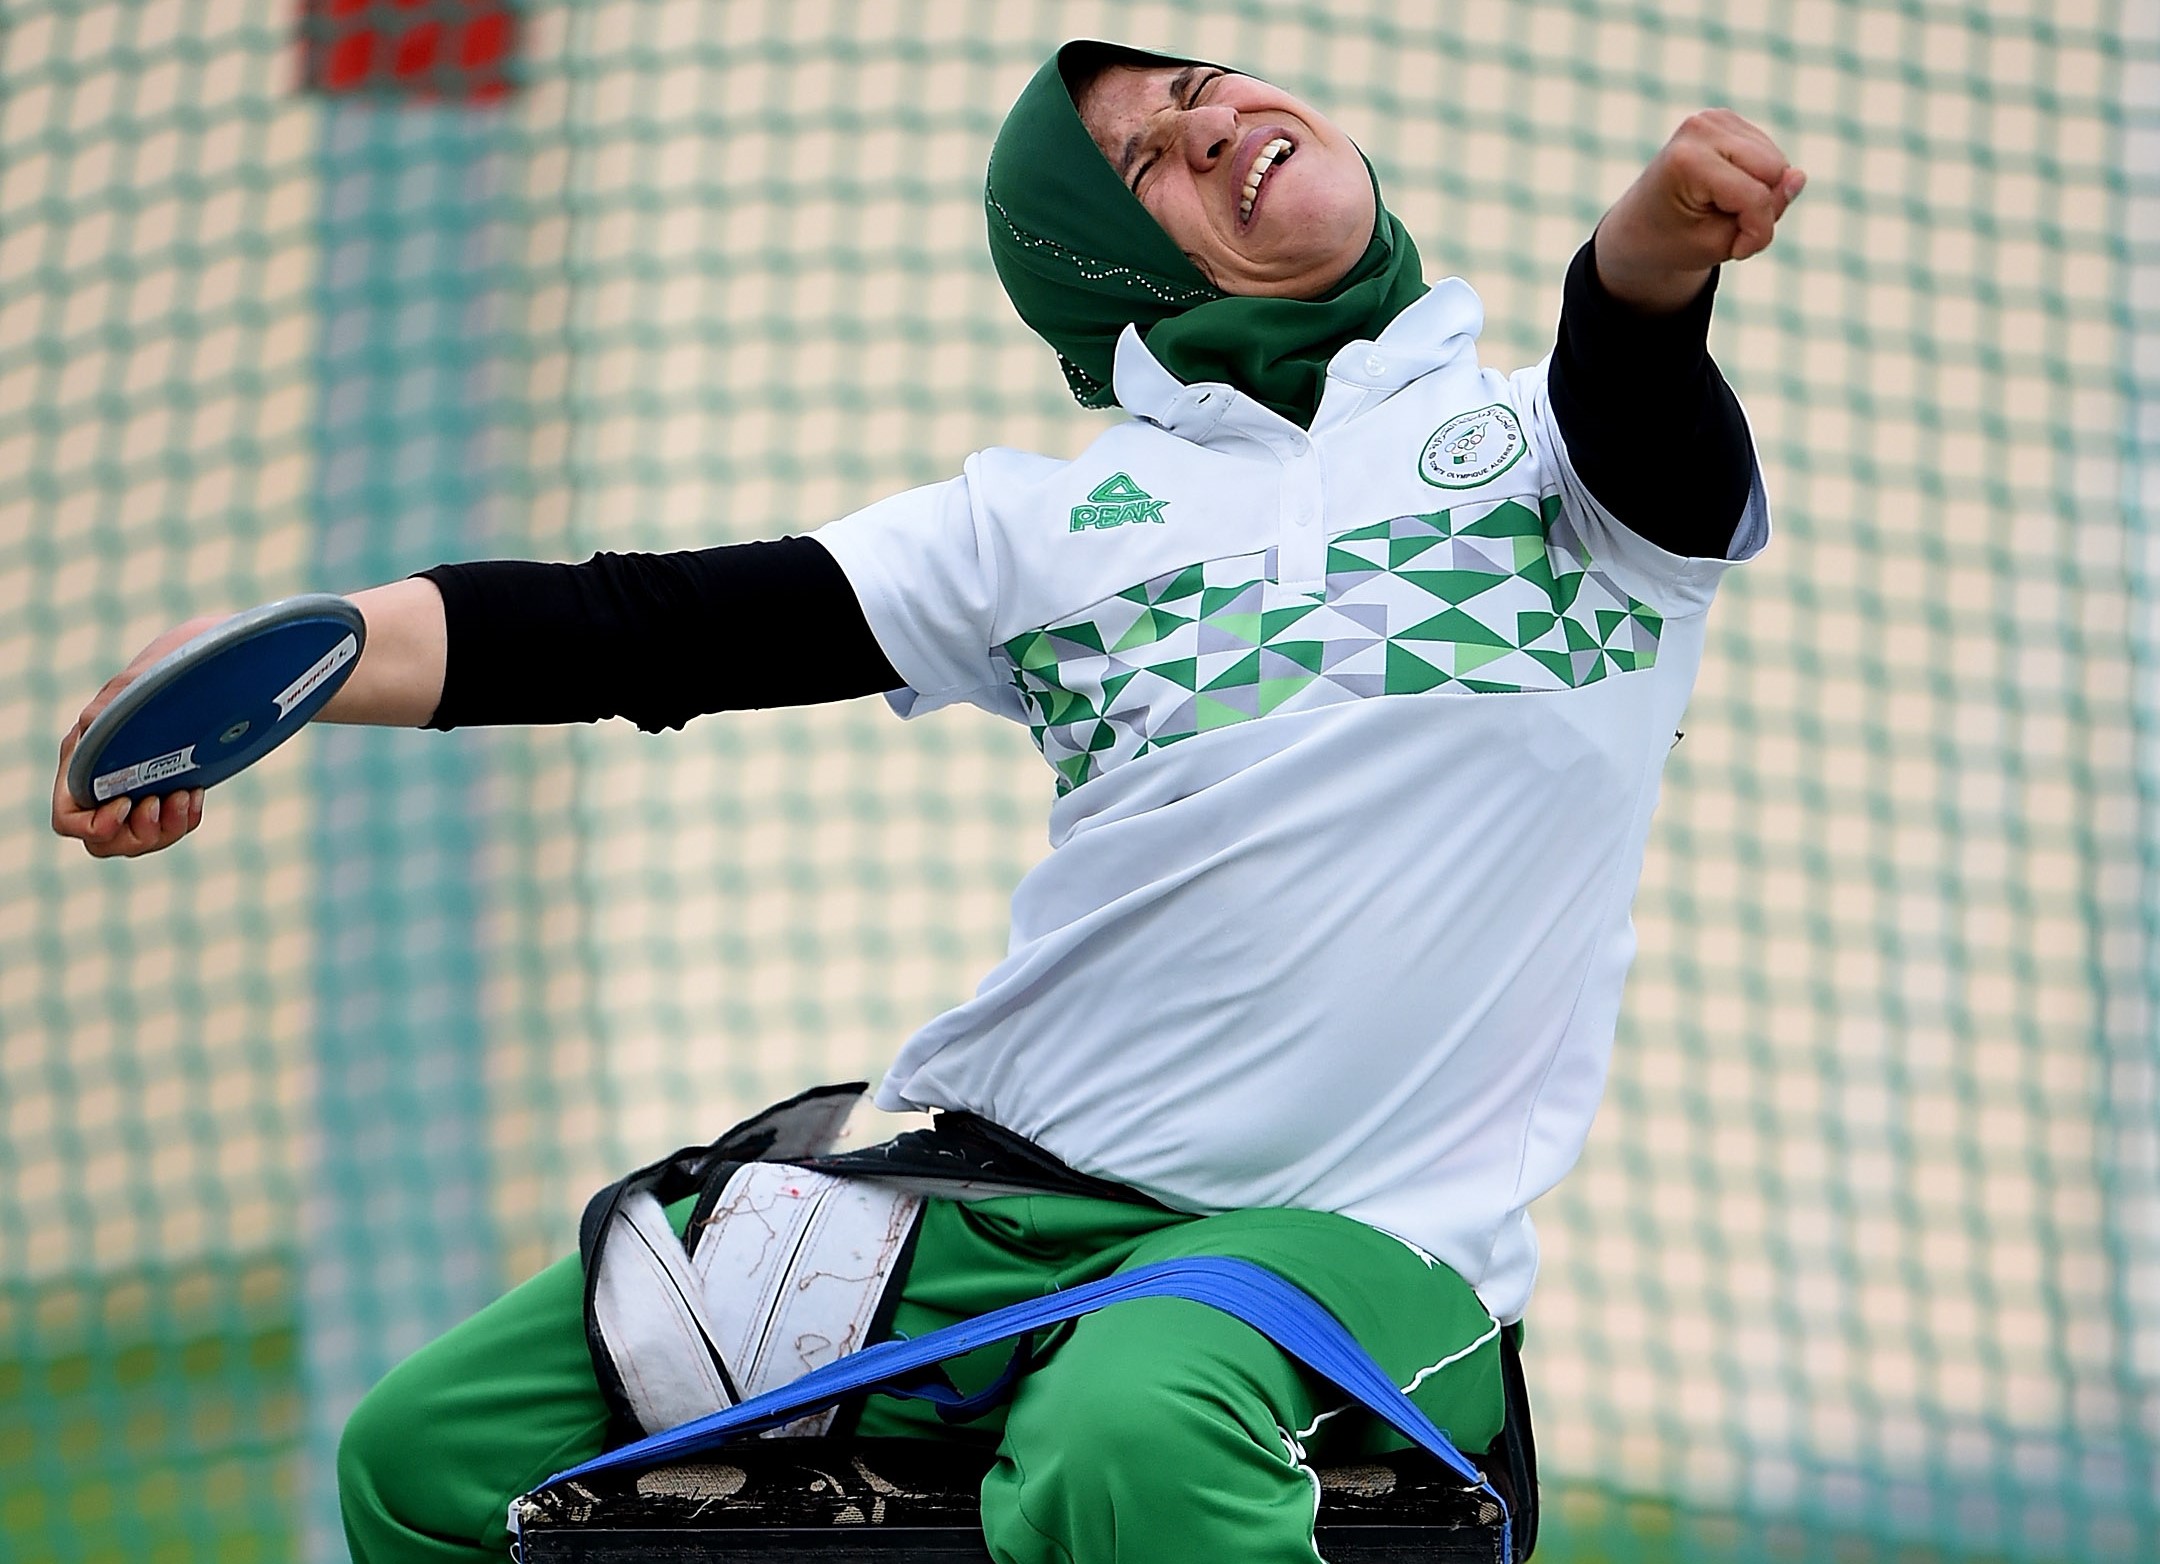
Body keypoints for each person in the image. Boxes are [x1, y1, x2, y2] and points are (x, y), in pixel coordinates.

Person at [51, 39, 1801, 1564]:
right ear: (1111, 273)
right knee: (426, 1459)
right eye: (1142, 163)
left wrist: (1644, 261)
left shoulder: (1553, 463)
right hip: (995, 1195)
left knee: (1133, 1436)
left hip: (1357, 1243)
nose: (1209, 129)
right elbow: (645, 623)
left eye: (1202, 95)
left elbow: (1641, 397)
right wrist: (296, 655)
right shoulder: (1036, 528)